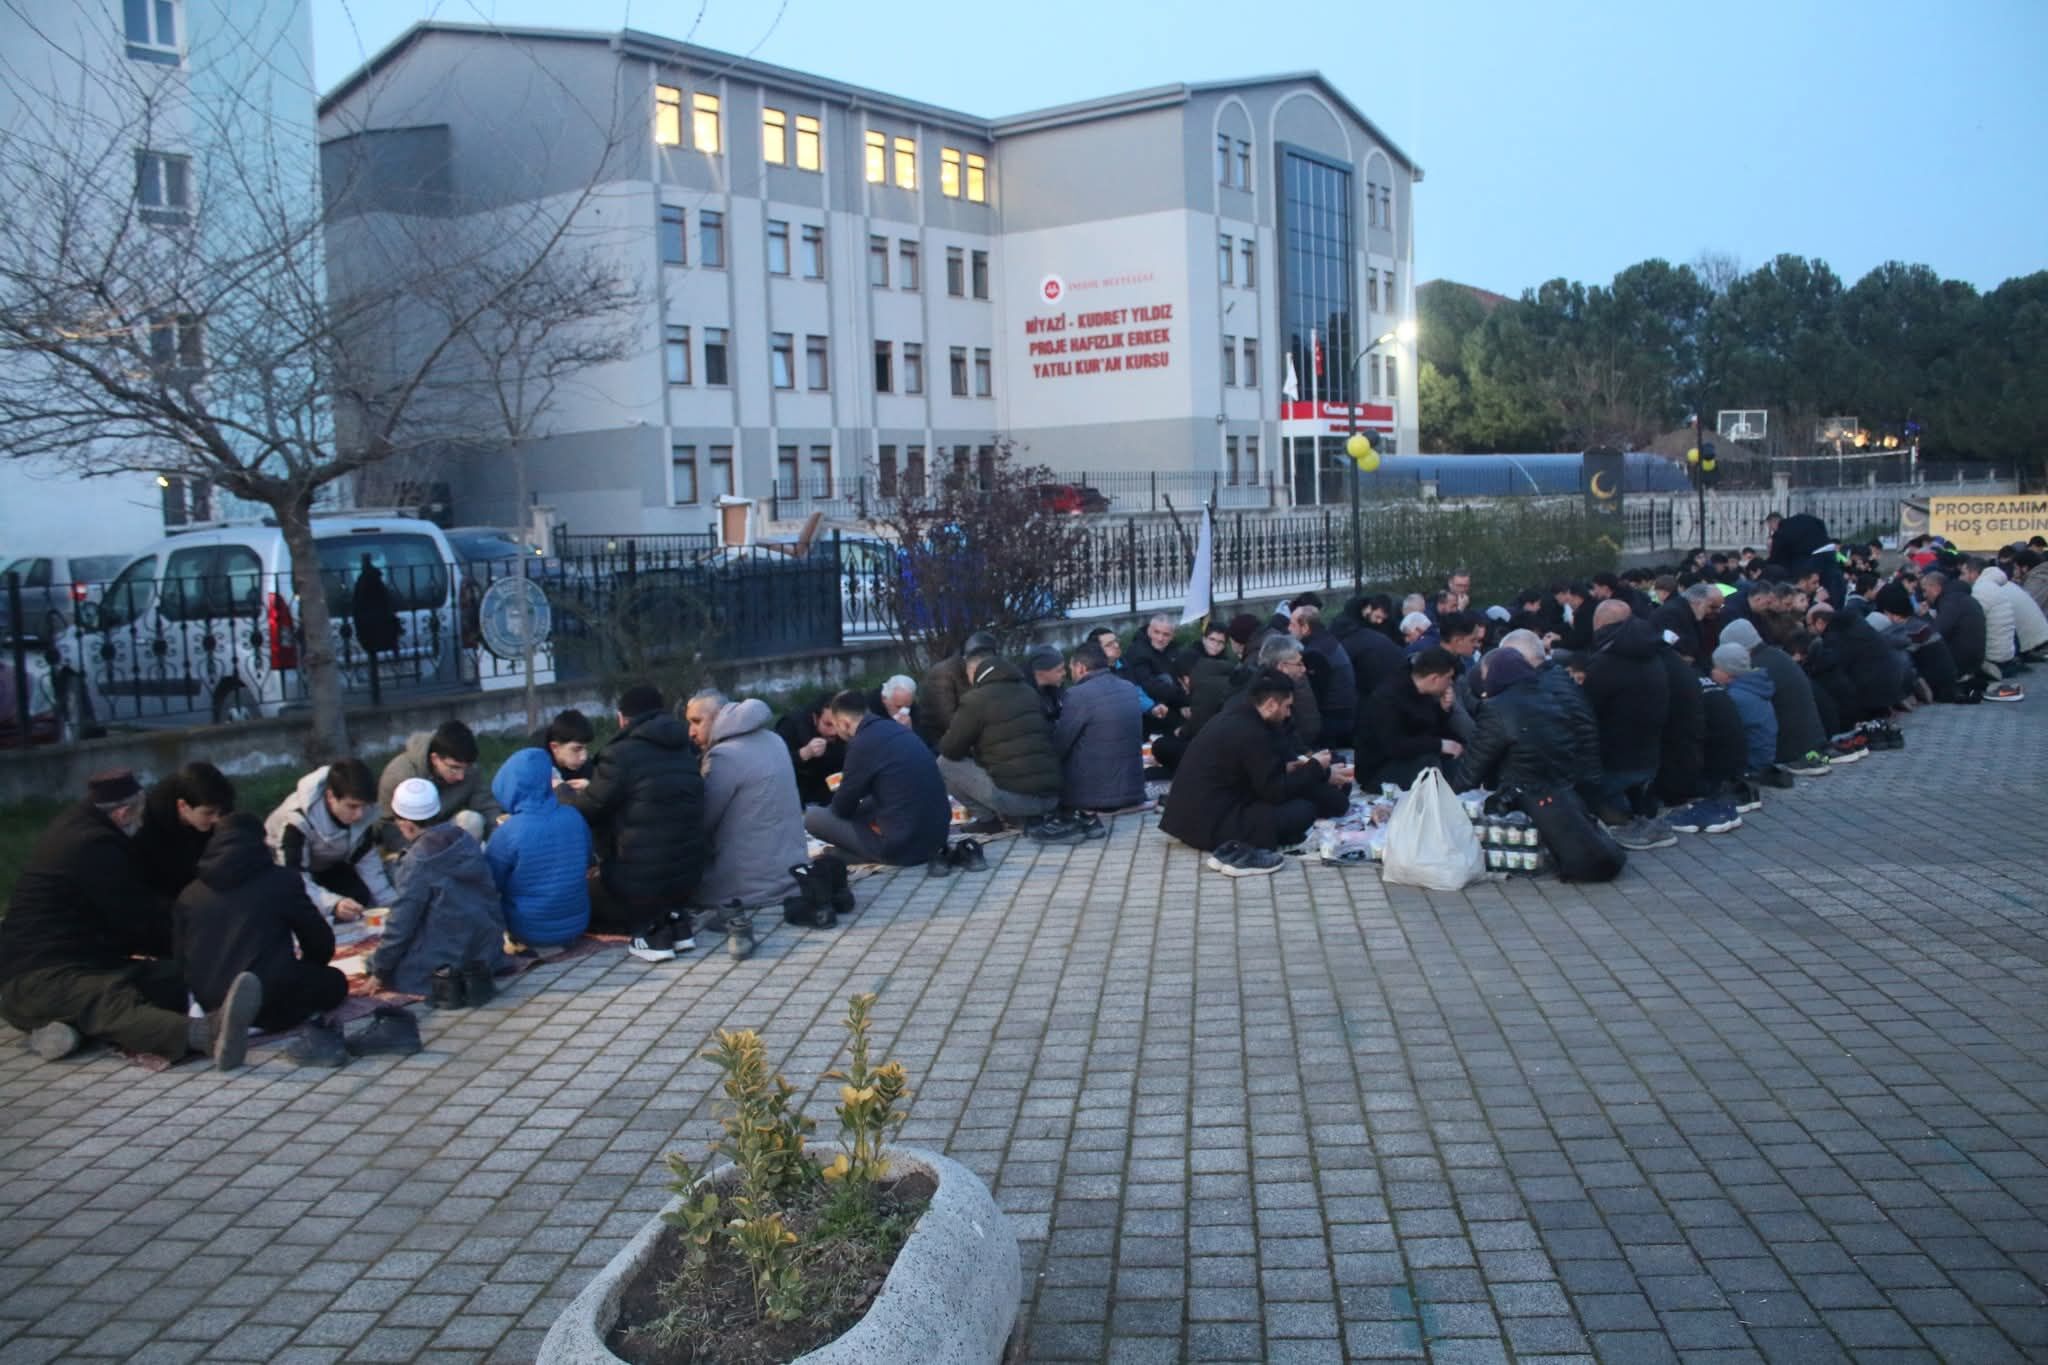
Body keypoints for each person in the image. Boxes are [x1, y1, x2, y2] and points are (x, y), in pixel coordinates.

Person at [0, 770, 264, 1069]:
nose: (142, 824)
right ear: (124, 813)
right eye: (140, 817)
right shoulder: (91, 847)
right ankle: (206, 1033)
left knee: (173, 978)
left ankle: (67, 1030)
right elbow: (139, 919)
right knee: (110, 1002)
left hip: (87, 961)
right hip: (35, 975)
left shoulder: (90, 830)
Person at [174, 812, 348, 1047]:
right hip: (269, 998)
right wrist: (308, 966)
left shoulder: (190, 894)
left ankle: (223, 1021)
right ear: (260, 842)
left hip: (211, 1000)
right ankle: (253, 1021)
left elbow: (181, 958)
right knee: (334, 982)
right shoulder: (281, 881)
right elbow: (318, 939)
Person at [562, 684, 706, 963]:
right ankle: (676, 925)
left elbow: (589, 809)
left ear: (622, 719)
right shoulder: (685, 748)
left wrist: (564, 798)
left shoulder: (620, 755)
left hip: (637, 885)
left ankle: (650, 935)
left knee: (578, 897)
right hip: (687, 880)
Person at [1159, 669, 1352, 865]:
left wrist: (1306, 769)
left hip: (1197, 816)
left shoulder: (1242, 716)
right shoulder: (1251, 731)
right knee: (1303, 811)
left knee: (1319, 798)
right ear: (1270, 705)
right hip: (1210, 823)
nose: (1288, 714)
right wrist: (1315, 768)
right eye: (1286, 707)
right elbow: (1274, 792)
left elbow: (1261, 771)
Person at [369, 779, 508, 995]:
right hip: (486, 951)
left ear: (406, 823)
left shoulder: (417, 861)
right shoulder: (465, 839)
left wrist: (379, 970)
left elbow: (401, 924)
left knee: (384, 965)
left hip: (446, 962)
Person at [691, 694, 811, 919]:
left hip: (745, 887)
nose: (691, 731)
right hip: (791, 875)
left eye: (697, 721)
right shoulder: (775, 740)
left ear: (719, 716)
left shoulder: (724, 756)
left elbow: (702, 822)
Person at [937, 643, 1070, 838]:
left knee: (944, 763)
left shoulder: (975, 700)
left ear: (973, 671)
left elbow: (950, 749)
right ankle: (1019, 816)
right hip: (1052, 798)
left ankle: (987, 821)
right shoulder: (1028, 691)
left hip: (1016, 800)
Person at [804, 689, 950, 866]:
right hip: (937, 837)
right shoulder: (895, 728)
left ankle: (859, 854)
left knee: (813, 817)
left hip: (904, 847)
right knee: (871, 800)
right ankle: (848, 853)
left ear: (843, 723)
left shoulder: (861, 744)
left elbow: (842, 808)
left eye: (834, 725)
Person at [1581, 600, 1674, 848]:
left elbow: (1587, 711)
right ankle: (1639, 815)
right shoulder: (1653, 654)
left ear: (1599, 624)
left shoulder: (1605, 663)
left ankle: (1623, 823)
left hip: (1614, 762)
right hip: (1650, 757)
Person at [484, 747, 592, 949]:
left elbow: (490, 882)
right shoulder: (574, 816)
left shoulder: (508, 832)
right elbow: (587, 860)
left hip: (528, 929)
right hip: (577, 925)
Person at [265, 757, 396, 923]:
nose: (360, 814)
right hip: (281, 873)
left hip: (328, 865)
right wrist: (333, 904)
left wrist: (391, 904)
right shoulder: (296, 820)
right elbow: (293, 878)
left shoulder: (363, 812)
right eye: (352, 806)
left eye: (364, 806)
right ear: (330, 796)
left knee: (359, 897)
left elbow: (367, 860)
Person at [1452, 648, 1576, 794]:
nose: (1485, 684)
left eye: (1486, 676)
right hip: (1561, 795)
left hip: (1517, 798)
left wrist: (1454, 798)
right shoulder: (1550, 698)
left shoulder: (1497, 708)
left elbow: (1473, 766)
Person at [377, 720, 502, 850]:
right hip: (410, 839)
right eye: (454, 768)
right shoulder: (401, 775)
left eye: (466, 768)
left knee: (471, 820)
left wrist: (499, 839)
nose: (461, 776)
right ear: (435, 758)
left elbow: (487, 807)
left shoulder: (468, 769)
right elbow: (389, 826)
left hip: (444, 830)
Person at [1053, 641, 1147, 813]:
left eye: (1071, 668)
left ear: (1080, 668)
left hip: (1090, 796)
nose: (1070, 673)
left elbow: (1061, 745)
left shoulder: (1077, 694)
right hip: (1134, 791)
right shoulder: (1129, 688)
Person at [1353, 647, 1462, 790]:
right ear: (1434, 678)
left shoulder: (1423, 693)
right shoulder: (1388, 698)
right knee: (1429, 764)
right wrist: (1439, 744)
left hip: (1408, 758)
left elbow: (1427, 729)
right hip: (1379, 768)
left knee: (1453, 755)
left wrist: (1443, 710)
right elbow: (1395, 745)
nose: (1450, 683)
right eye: (1448, 678)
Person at [132, 761, 236, 898]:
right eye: (208, 813)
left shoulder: (221, 811)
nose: (217, 819)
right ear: (182, 806)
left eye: (220, 812)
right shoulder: (148, 831)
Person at [914, 631, 997, 750]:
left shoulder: (983, 670)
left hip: (970, 730)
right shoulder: (942, 675)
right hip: (940, 737)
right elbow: (947, 720)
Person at [1290, 604, 1356, 747]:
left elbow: (1312, 696)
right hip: (1344, 715)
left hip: (1332, 720)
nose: (1289, 629)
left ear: (1305, 627)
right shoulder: (1327, 640)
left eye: (1292, 624)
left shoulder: (1314, 653)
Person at [1711, 643, 1778, 777]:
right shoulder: (1753, 686)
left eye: (1716, 667)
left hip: (1750, 764)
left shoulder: (1735, 697)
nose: (1712, 671)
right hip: (1763, 757)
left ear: (1728, 672)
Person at [776, 694, 847, 807]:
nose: (834, 732)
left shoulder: (845, 731)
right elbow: (774, 765)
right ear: (815, 718)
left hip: (830, 791)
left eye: (838, 725)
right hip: (796, 795)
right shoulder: (791, 726)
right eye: (828, 724)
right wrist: (803, 754)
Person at [1921, 570, 1989, 687]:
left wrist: (1925, 617)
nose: (1924, 595)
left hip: (1960, 664)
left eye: (1925, 590)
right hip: (1974, 661)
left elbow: (1935, 634)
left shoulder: (1950, 602)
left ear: (1935, 588)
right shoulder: (1960, 598)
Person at [1124, 613, 1190, 725]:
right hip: (1151, 707)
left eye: (1166, 634)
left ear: (1173, 635)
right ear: (1149, 630)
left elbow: (1182, 671)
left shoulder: (1173, 648)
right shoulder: (1138, 651)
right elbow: (1150, 686)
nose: (1160, 638)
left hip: (1173, 699)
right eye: (1156, 632)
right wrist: (1184, 701)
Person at [535, 709, 595, 787]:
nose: (583, 757)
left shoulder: (587, 767)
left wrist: (590, 790)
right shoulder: (535, 767)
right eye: (576, 749)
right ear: (555, 747)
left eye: (586, 748)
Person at [1026, 645, 1067, 725]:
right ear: (1040, 672)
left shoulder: (1057, 690)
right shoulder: (1025, 699)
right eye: (1059, 670)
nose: (1064, 673)